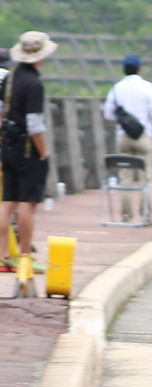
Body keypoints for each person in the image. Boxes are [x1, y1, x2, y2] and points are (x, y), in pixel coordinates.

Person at [0, 31, 57, 274]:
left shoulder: (10, 78)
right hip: (26, 149)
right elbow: (35, 124)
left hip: (8, 144)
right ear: (40, 56)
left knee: (7, 202)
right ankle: (24, 255)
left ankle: (3, 257)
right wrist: (42, 152)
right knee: (27, 203)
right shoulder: (34, 83)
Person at [103, 54, 152, 224]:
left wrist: (123, 120)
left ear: (124, 69)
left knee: (125, 177)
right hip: (144, 136)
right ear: (139, 68)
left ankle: (126, 216)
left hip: (123, 136)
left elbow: (108, 113)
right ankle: (147, 216)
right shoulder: (147, 87)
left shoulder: (117, 88)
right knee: (146, 176)